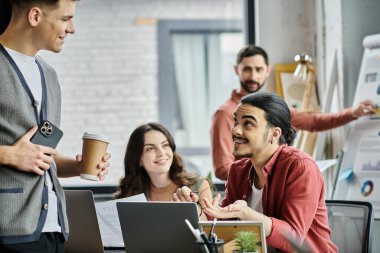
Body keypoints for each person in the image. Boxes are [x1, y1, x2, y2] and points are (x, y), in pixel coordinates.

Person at [0, 0, 111, 252]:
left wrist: (78, 166)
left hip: (53, 230)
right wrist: (9, 154)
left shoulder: (49, 76)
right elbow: (21, 155)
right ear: (35, 16)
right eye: (65, 19)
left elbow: (41, 152)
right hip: (8, 232)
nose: (72, 29)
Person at [211, 45, 377, 180]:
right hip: (246, 197)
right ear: (236, 70)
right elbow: (222, 169)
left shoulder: (272, 107)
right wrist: (267, 170)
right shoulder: (225, 114)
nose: (253, 76)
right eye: (247, 69)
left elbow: (313, 122)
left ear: (267, 71)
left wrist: (353, 113)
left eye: (258, 69)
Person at [203, 92, 337, 252]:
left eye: (248, 124)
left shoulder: (300, 167)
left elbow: (293, 238)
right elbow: (225, 229)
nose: (236, 130)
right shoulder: (238, 170)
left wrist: (247, 214)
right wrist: (200, 209)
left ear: (274, 134)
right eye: (236, 122)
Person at [115, 122, 213, 220]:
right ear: (138, 159)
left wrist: (191, 208)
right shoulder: (130, 195)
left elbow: (209, 230)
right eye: (150, 148)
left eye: (165, 145)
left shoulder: (199, 185)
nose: (161, 153)